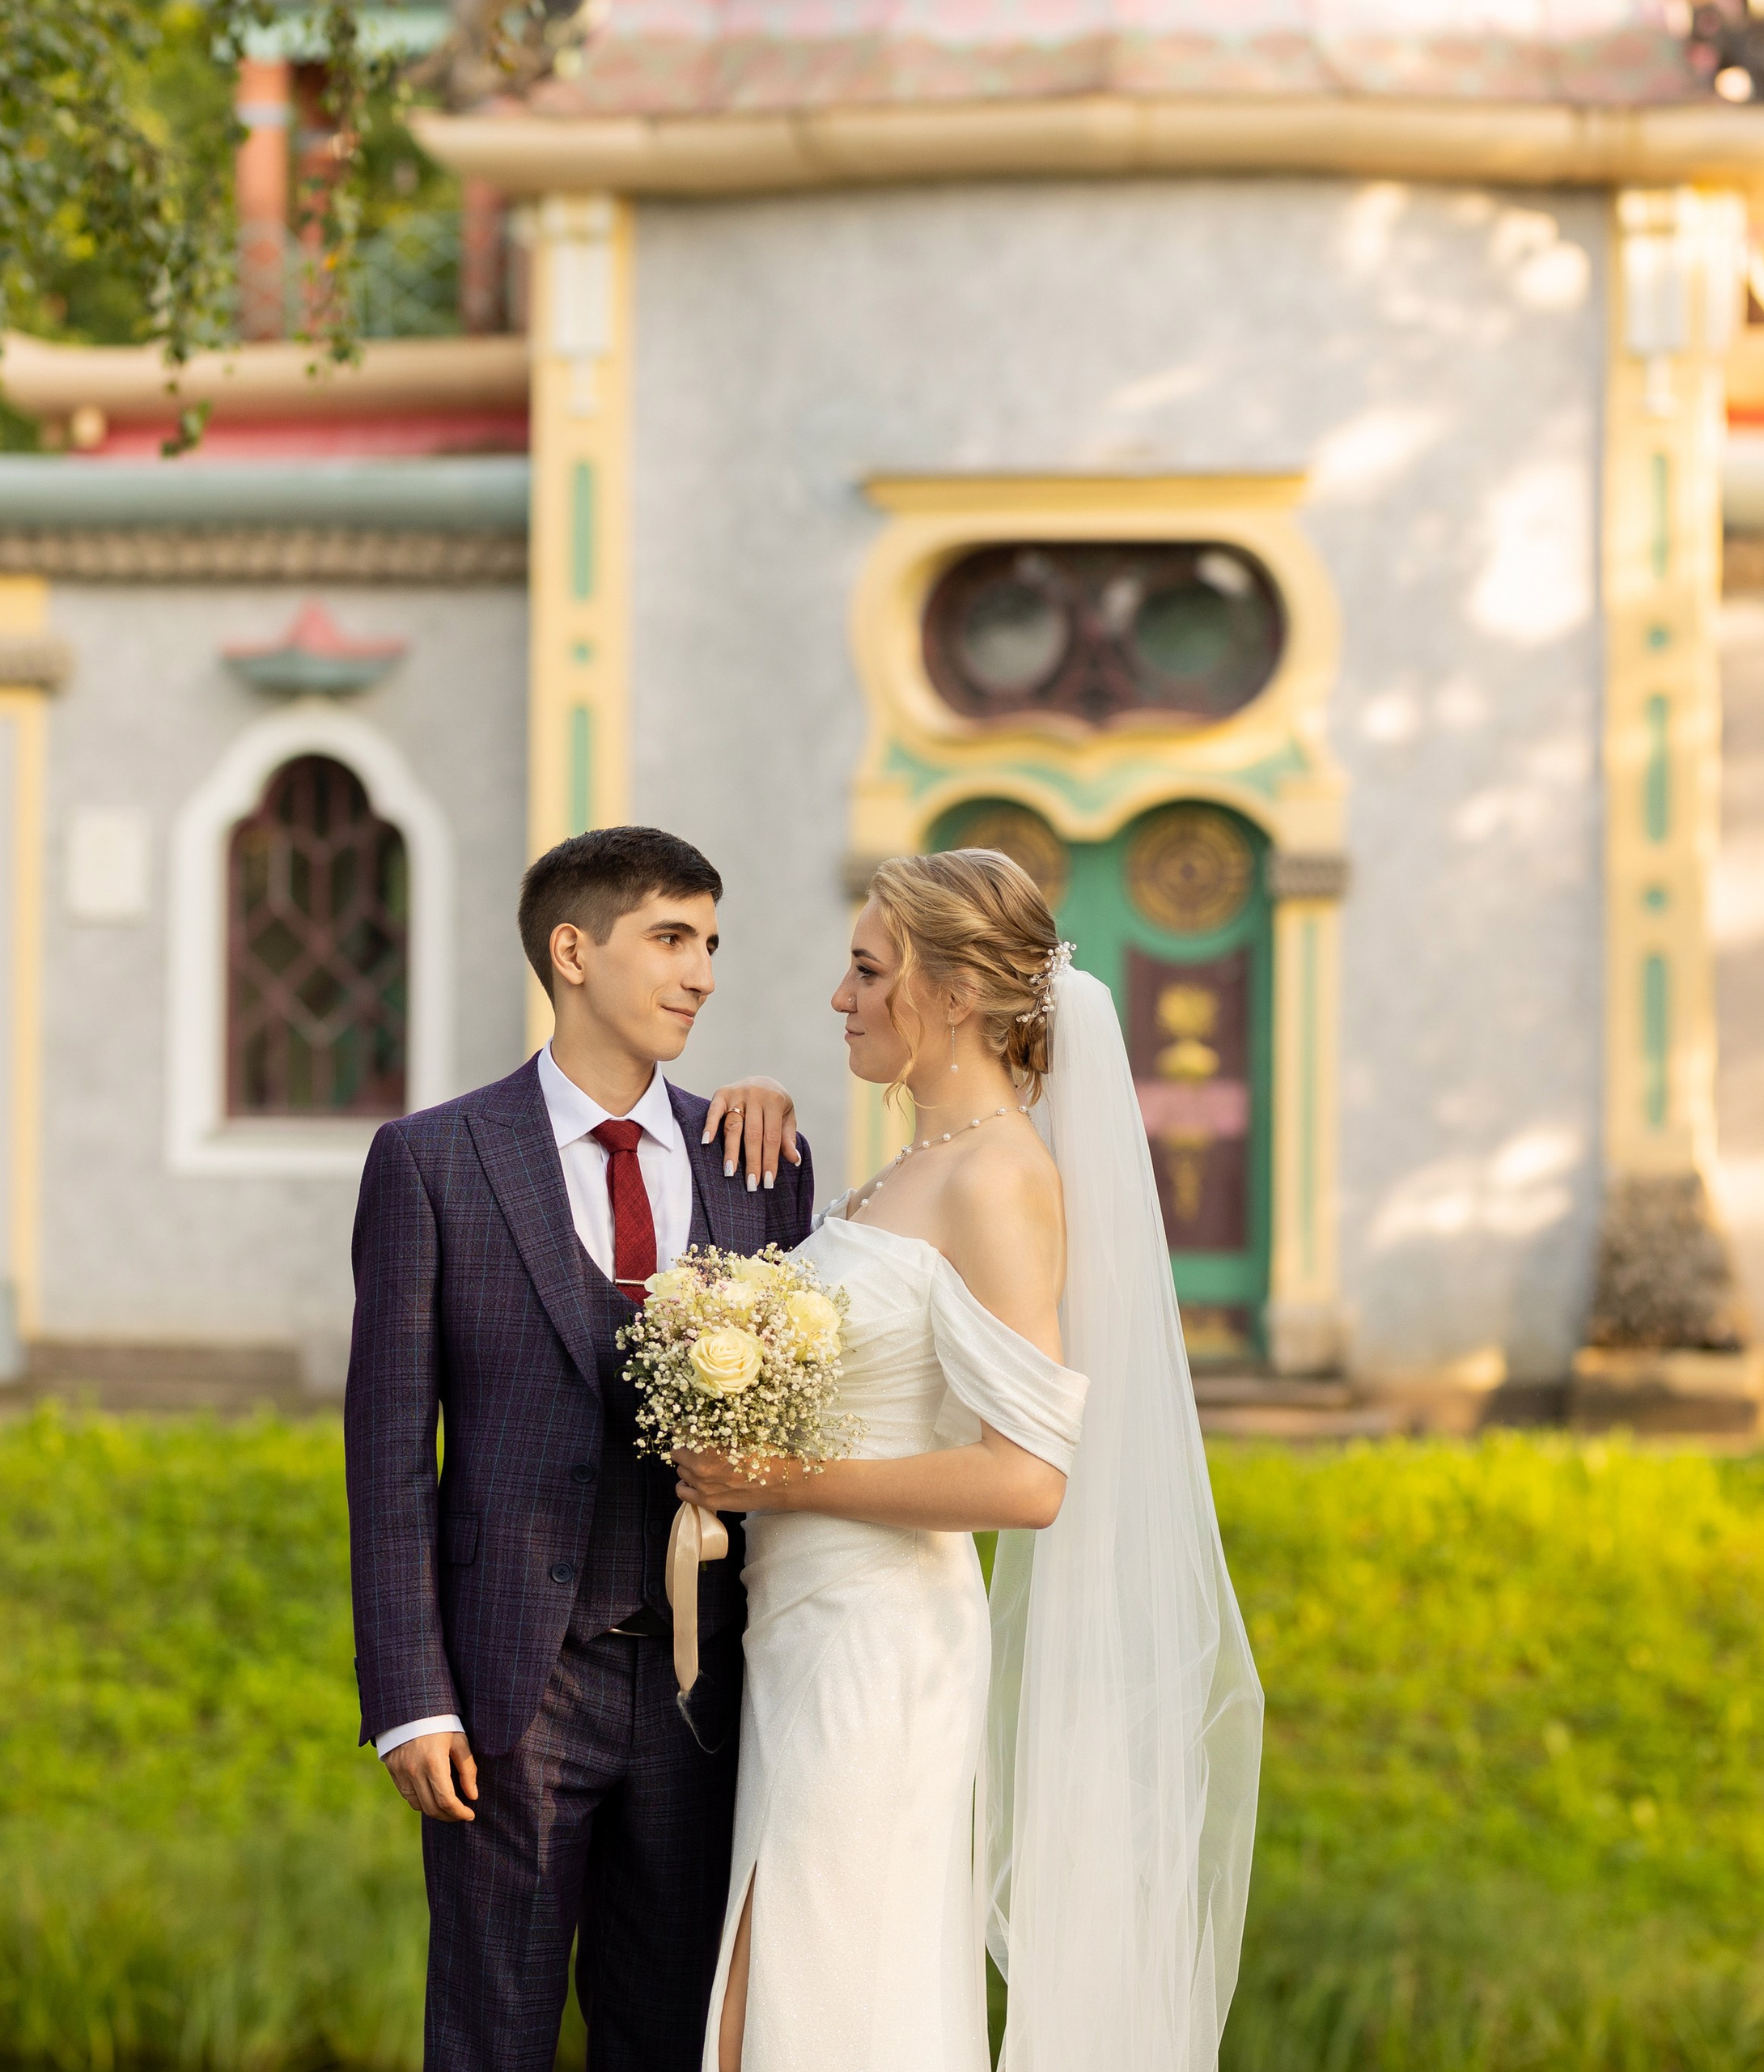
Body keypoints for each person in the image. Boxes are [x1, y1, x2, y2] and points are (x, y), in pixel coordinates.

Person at [674, 848, 1264, 2072]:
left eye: (868, 968)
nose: (841, 995)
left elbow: (1026, 1481)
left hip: (882, 1656)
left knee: (805, 2006)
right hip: (800, 1636)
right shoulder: (904, 1172)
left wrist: (777, 1483)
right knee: (761, 2001)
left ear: (949, 993)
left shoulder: (1000, 1179)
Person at [344, 825, 813, 2072]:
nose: (702, 972)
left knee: (667, 2036)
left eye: (711, 943)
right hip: (508, 1689)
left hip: (705, 1687)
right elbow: (389, 1454)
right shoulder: (433, 1162)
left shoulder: (757, 1163)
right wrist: (409, 1699)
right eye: (670, 938)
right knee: (490, 2038)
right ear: (572, 952)